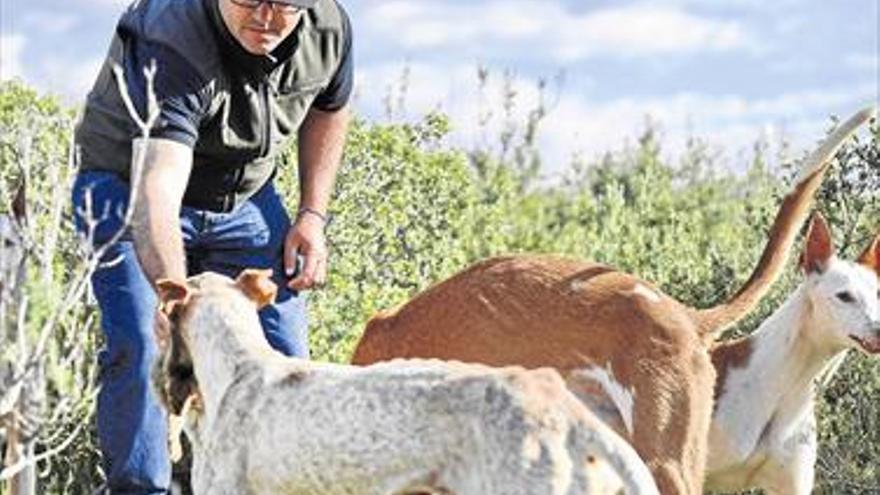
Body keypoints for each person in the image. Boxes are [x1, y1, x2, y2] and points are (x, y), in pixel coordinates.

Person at [71, 0, 352, 492]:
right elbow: (157, 187)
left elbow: (330, 106)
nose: (266, 17)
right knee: (144, 341)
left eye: (285, 5)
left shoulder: (327, 28)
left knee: (283, 349)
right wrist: (174, 298)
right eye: (249, 0)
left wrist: (312, 213)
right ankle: (141, 487)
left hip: (243, 197)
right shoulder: (171, 36)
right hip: (128, 185)